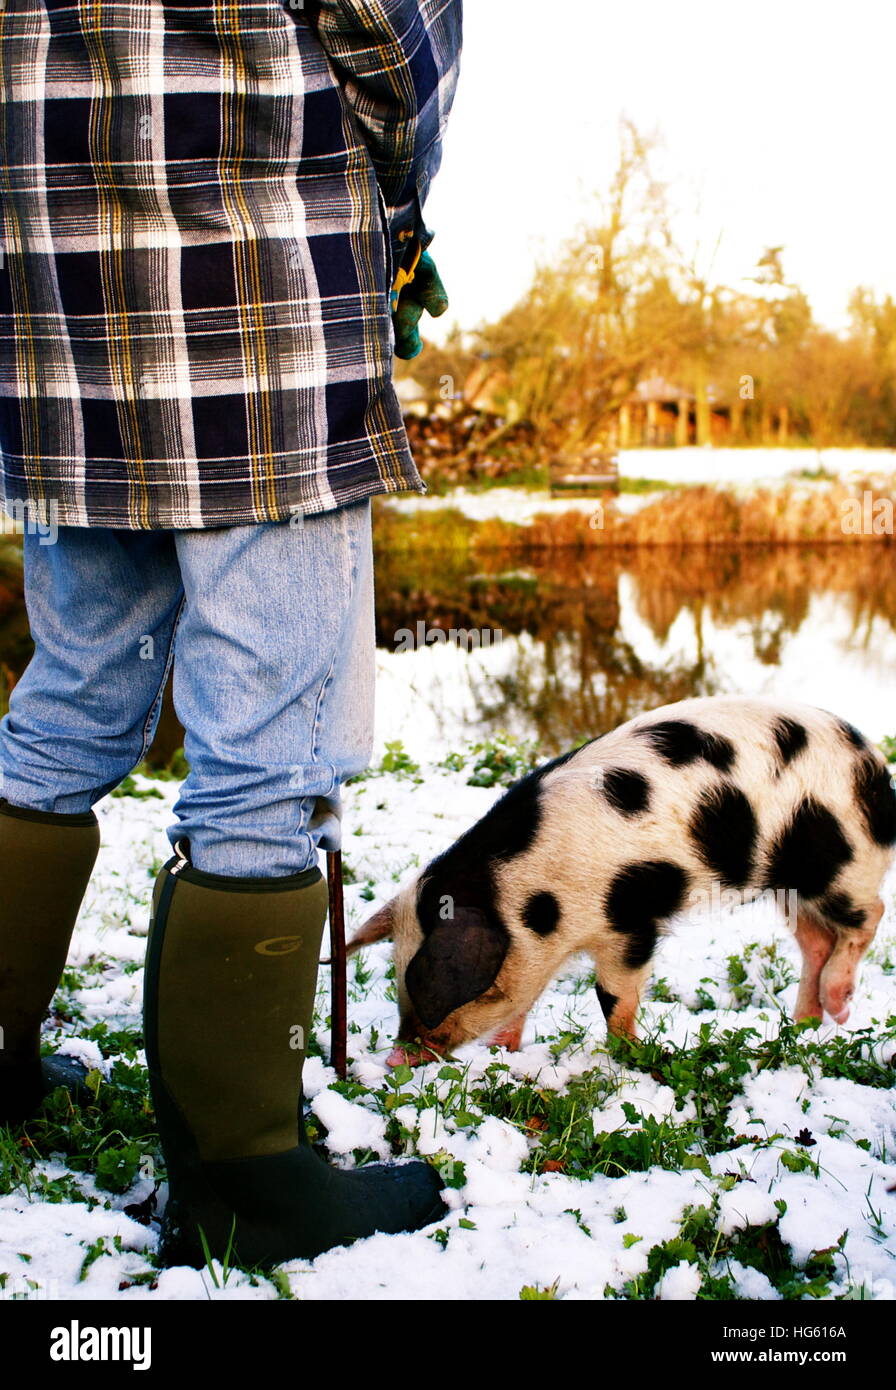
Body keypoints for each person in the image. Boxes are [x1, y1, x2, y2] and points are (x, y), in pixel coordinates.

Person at [0, 0, 462, 1269]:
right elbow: (389, 27)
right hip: (258, 276)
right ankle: (242, 1172)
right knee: (273, 731)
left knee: (71, 689)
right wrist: (402, 208)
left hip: (55, 283)